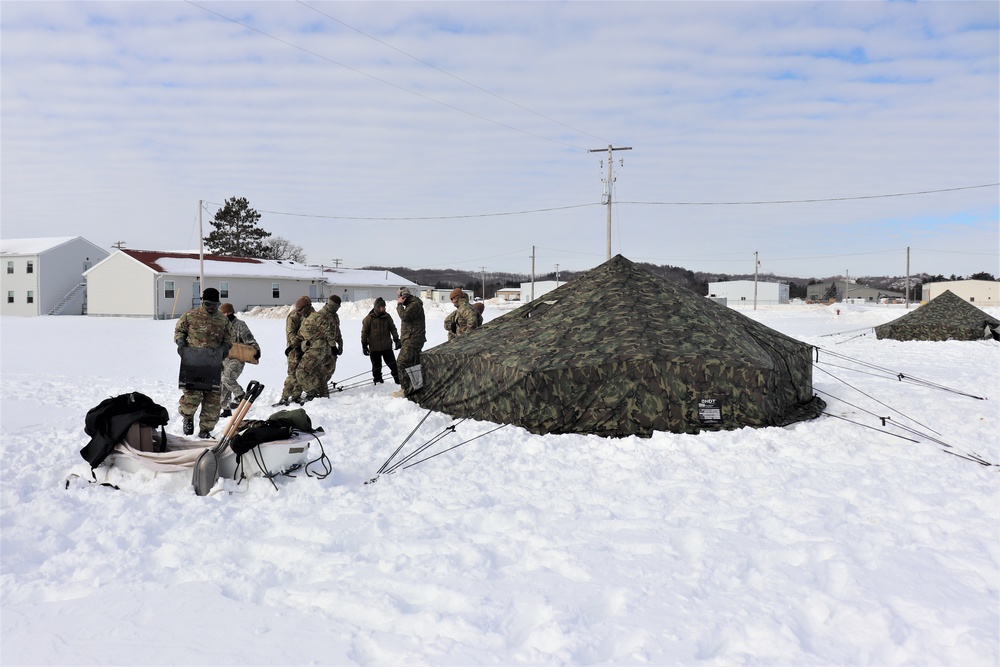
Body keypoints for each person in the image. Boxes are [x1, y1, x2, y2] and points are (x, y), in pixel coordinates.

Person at [174, 287, 232, 438]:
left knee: (212, 402)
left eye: (214, 304)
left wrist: (224, 349)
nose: (211, 308)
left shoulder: (223, 320)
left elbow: (229, 338)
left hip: (213, 364)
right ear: (202, 302)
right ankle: (187, 418)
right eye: (207, 304)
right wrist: (180, 344)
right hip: (193, 363)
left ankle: (205, 430)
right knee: (191, 398)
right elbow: (180, 331)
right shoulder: (190, 316)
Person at [218, 303, 260, 418]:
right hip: (224, 358)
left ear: (233, 312)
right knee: (222, 384)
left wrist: (256, 351)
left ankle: (240, 395)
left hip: (237, 358)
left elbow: (250, 340)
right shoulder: (220, 326)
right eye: (224, 313)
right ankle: (225, 409)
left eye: (229, 312)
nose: (227, 315)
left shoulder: (240, 325)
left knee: (227, 378)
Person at [295, 297, 338, 402]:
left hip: (318, 350)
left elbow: (329, 332)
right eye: (297, 311)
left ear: (306, 308)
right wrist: (294, 347)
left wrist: (333, 346)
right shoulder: (306, 318)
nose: (299, 312)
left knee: (301, 372)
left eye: (300, 310)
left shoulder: (316, 317)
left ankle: (312, 393)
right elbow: (300, 335)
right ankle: (322, 396)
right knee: (318, 373)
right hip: (311, 349)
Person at [274, 296, 308, 407]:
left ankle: (296, 395)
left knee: (301, 372)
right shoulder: (293, 317)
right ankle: (284, 397)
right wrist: (297, 348)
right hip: (293, 349)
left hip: (303, 347)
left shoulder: (306, 315)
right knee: (293, 374)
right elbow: (291, 334)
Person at [393, 286, 426, 397]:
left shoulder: (414, 305)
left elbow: (404, 317)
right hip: (411, 339)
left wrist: (399, 305)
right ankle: (417, 386)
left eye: (400, 298)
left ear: (404, 297)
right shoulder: (412, 304)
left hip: (413, 339)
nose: (398, 299)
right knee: (413, 363)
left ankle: (405, 389)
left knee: (401, 362)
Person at [361, 296, 401, 385]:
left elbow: (393, 328)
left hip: (387, 347)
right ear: (377, 307)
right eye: (382, 307)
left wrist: (396, 339)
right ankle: (378, 383)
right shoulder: (369, 318)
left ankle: (398, 382)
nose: (383, 309)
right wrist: (364, 345)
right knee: (376, 367)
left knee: (394, 366)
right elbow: (364, 332)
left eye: (384, 307)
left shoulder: (387, 317)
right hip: (374, 348)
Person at [320, 295, 344, 390]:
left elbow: (337, 330)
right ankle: (319, 387)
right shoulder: (321, 315)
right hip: (322, 347)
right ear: (334, 305)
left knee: (330, 368)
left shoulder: (334, 315)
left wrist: (340, 343)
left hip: (332, 348)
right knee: (321, 368)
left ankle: (322, 385)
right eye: (338, 306)